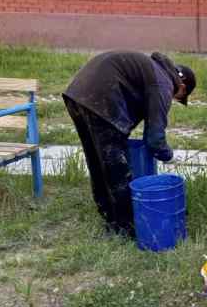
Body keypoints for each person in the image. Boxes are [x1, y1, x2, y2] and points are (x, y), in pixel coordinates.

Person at [63, 51, 195, 238]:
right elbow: (155, 138)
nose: (174, 99)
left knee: (97, 160)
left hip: (77, 94)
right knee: (117, 168)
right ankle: (126, 228)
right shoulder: (164, 83)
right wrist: (169, 156)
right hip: (102, 98)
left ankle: (109, 216)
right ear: (182, 86)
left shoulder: (152, 69)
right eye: (179, 96)